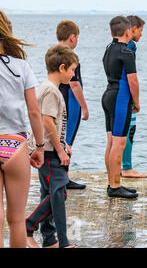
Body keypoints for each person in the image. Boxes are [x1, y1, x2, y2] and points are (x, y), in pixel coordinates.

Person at [26, 44, 78, 248]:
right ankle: (29, 227)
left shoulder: (50, 89)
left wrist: (63, 141)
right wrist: (60, 150)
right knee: (59, 193)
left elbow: (52, 123)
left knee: (49, 193)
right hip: (48, 152)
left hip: (50, 148)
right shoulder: (50, 91)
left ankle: (49, 239)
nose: (73, 75)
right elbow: (47, 121)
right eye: (72, 70)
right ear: (62, 67)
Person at [0, 11, 44, 248]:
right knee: (16, 220)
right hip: (15, 145)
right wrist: (39, 146)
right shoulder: (21, 66)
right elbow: (34, 111)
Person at [102, 16, 140, 199]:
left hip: (108, 95)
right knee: (119, 143)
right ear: (128, 32)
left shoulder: (108, 49)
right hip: (120, 99)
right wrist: (137, 102)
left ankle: (112, 183)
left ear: (111, 32)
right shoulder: (126, 53)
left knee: (111, 142)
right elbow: (133, 81)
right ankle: (115, 186)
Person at [57, 20, 89, 190]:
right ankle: (64, 178)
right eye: (77, 37)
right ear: (72, 37)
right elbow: (74, 84)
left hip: (57, 97)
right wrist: (84, 107)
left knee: (58, 136)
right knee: (67, 138)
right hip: (71, 100)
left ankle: (58, 176)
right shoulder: (70, 56)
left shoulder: (53, 53)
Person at [121, 15, 147, 179]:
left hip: (116, 93)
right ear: (133, 29)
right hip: (126, 96)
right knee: (128, 131)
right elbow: (132, 78)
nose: (141, 35)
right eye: (141, 30)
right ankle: (127, 167)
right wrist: (136, 101)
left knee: (117, 134)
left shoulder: (115, 46)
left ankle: (120, 167)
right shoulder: (130, 46)